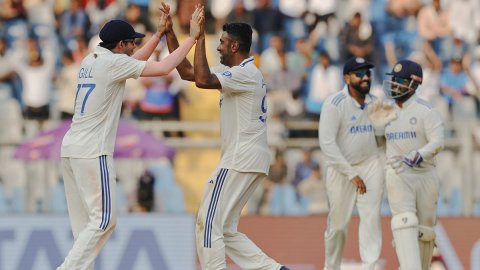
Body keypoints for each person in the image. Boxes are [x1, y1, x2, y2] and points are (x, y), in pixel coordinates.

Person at [56, 7, 204, 270]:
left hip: (71, 150)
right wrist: (192, 38)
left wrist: (159, 34)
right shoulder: (114, 64)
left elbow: (135, 61)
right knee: (104, 221)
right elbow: (164, 66)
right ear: (120, 44)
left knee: (85, 229)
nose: (134, 45)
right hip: (93, 151)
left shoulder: (92, 60)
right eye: (131, 42)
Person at [160, 3, 289, 270]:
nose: (218, 47)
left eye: (222, 42)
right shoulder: (240, 74)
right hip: (248, 158)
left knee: (207, 222)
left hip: (239, 158)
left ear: (234, 47)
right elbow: (187, 73)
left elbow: (203, 80)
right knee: (226, 230)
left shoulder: (245, 74)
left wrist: (198, 38)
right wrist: (170, 32)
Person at [319, 57, 384, 270]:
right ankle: (331, 267)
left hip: (370, 165)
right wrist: (351, 174)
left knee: (371, 220)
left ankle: (370, 266)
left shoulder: (376, 102)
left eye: (367, 73)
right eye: (359, 74)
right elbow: (327, 144)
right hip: (342, 170)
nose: (365, 78)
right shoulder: (334, 103)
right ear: (347, 77)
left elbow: (385, 136)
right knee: (338, 227)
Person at [378, 59, 444, 270]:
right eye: (393, 80)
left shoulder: (427, 110)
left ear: (414, 84)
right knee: (403, 220)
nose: (395, 85)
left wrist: (420, 154)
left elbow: (438, 141)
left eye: (400, 81)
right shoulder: (382, 110)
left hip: (425, 175)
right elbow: (373, 140)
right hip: (398, 173)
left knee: (425, 231)